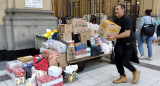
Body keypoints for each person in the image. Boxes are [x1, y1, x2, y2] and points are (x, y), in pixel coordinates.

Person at [107, 4, 140, 84]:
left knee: (124, 61)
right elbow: (114, 30)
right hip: (119, 43)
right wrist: (108, 35)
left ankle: (135, 71)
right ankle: (123, 77)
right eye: (115, 9)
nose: (116, 11)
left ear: (123, 10)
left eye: (117, 9)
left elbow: (127, 33)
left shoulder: (126, 19)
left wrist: (115, 36)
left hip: (128, 43)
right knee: (117, 61)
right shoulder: (116, 20)